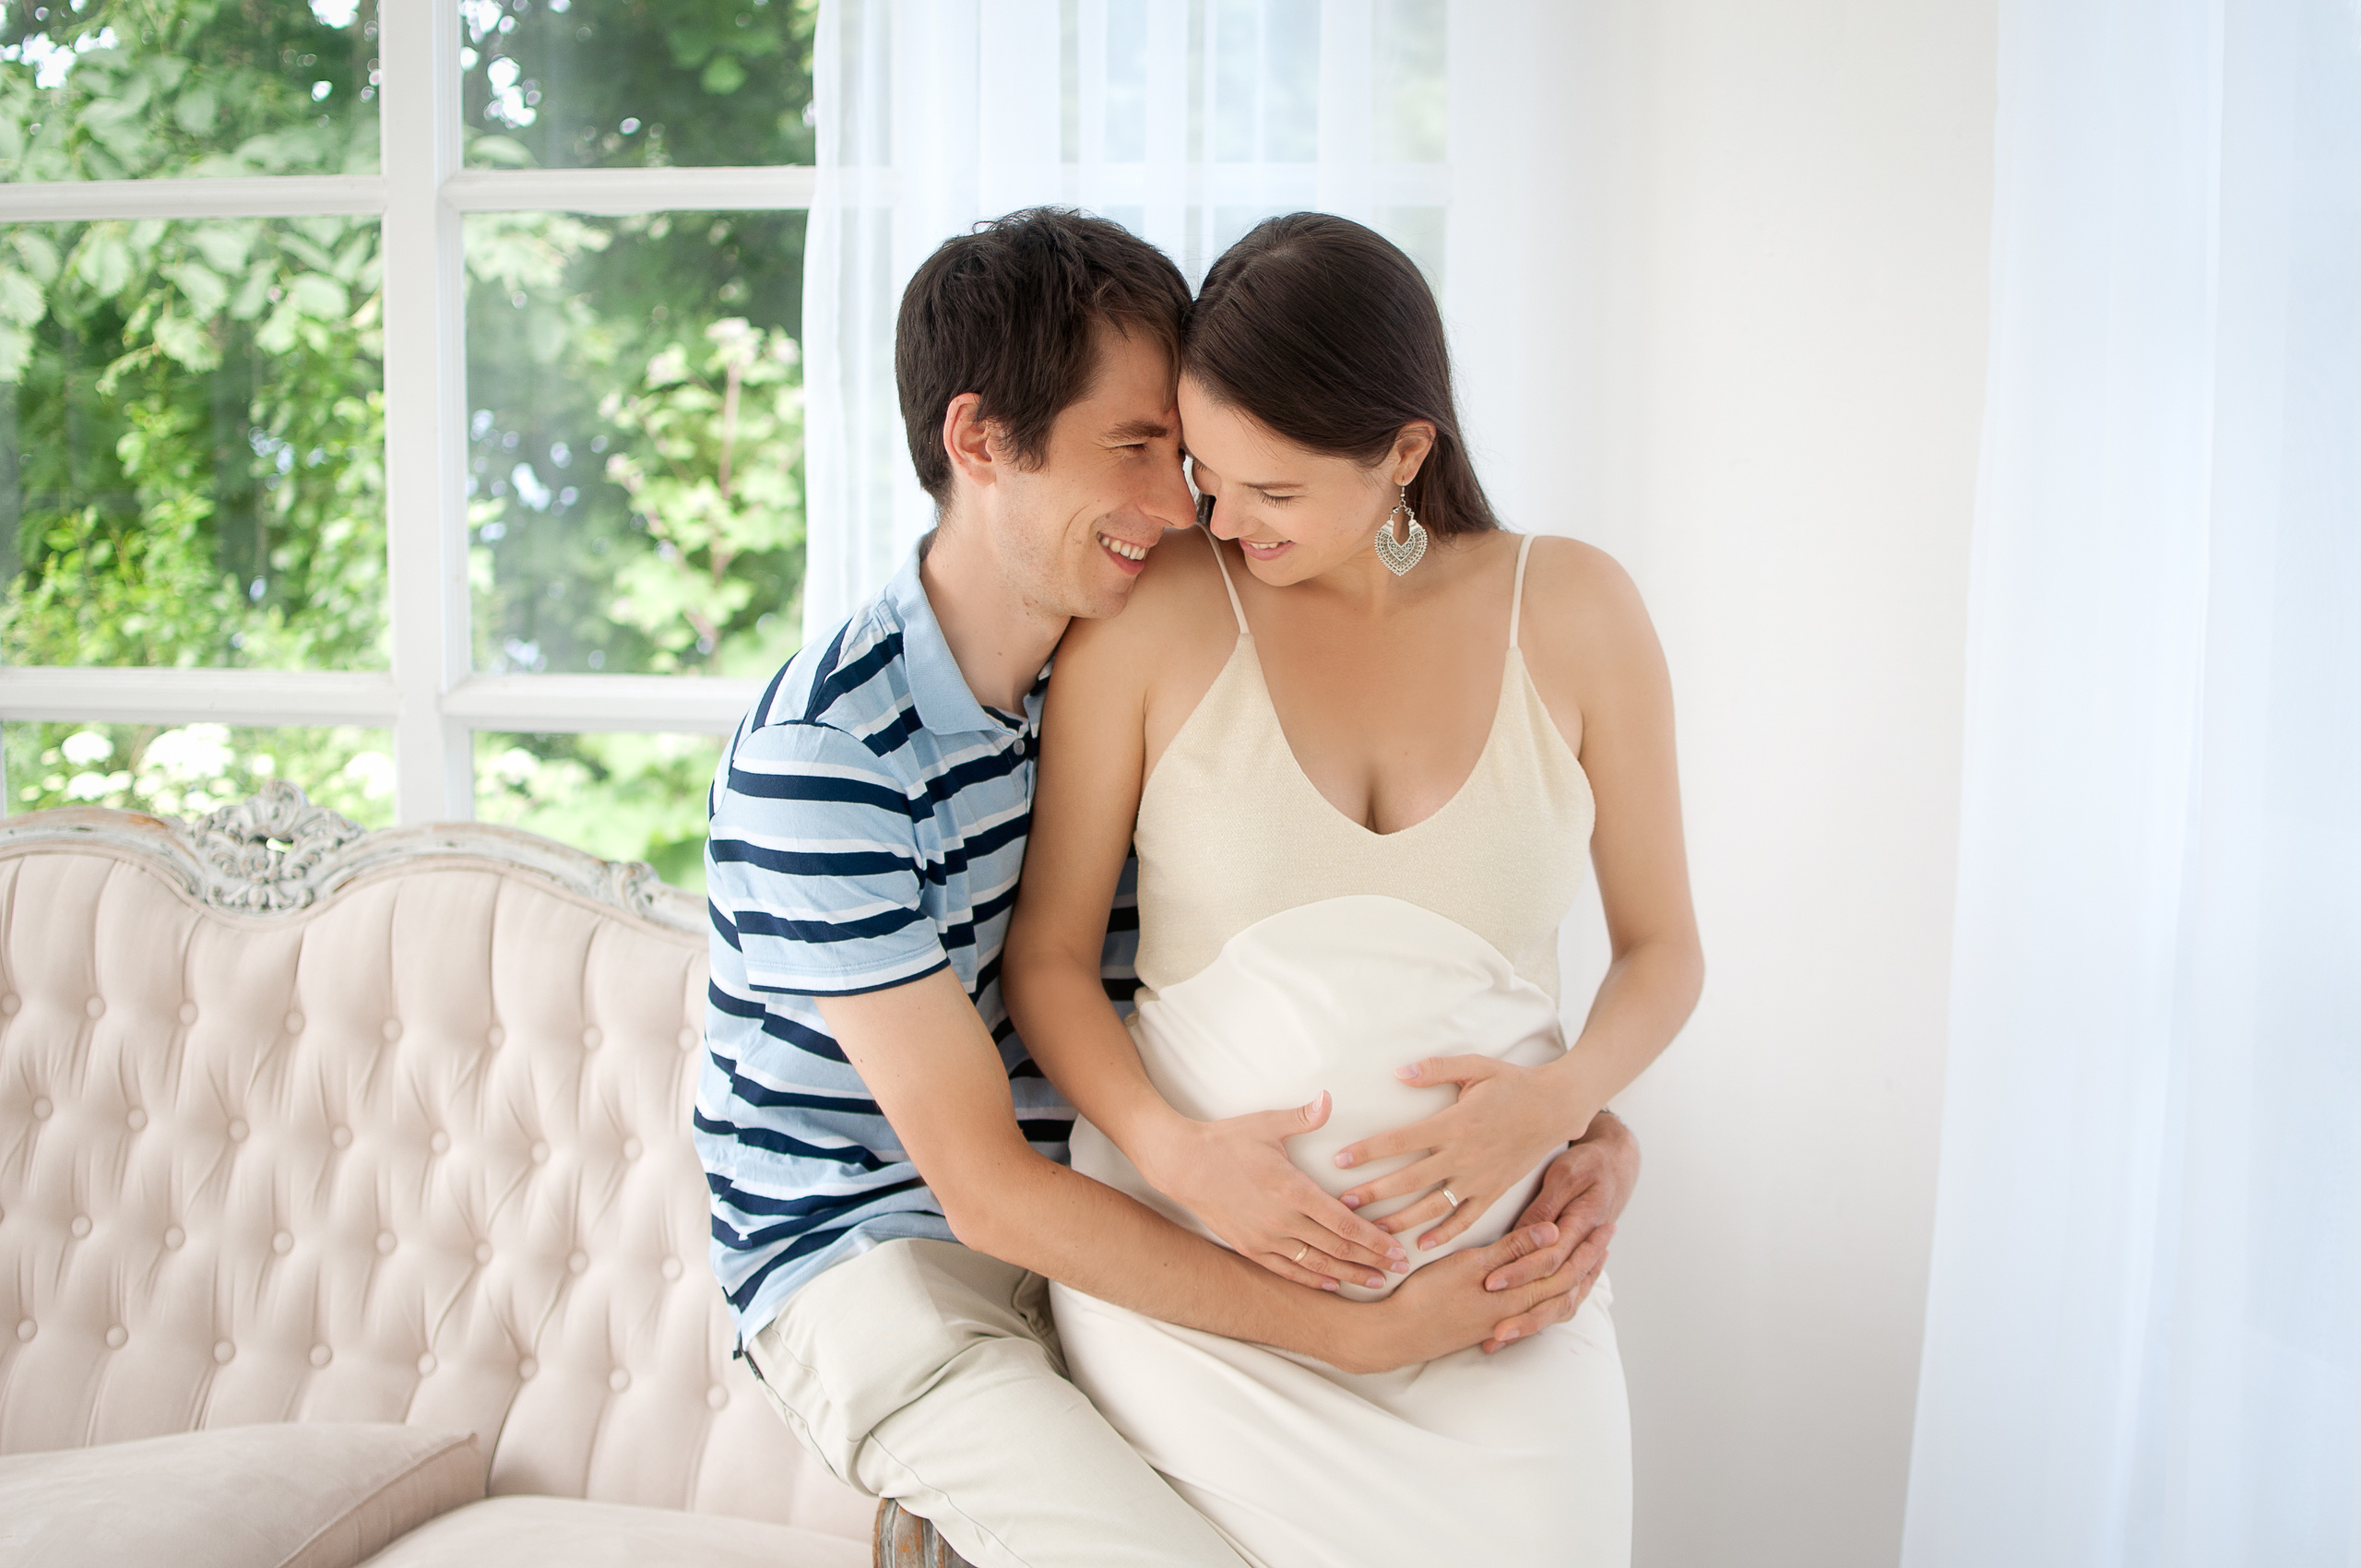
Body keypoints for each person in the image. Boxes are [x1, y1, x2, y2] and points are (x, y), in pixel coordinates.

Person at [696, 208, 1643, 1568]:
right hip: (896, 1261)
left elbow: (1346, 939)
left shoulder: (1114, 655)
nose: (1188, 506)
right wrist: (1363, 1333)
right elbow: (983, 1193)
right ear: (980, 441)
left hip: (1124, 1226)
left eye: (1187, 454)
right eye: (1138, 449)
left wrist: (1579, 1121)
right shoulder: (825, 758)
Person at [1000, 212, 1704, 1567]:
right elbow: (1047, 960)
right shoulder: (1159, 611)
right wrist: (1173, 1152)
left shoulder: (1576, 609)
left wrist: (1560, 1106)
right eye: (1206, 474)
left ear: (1405, 453)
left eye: (1273, 492)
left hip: (1500, 1295)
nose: (1219, 520)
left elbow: (1665, 949)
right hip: (1208, 1298)